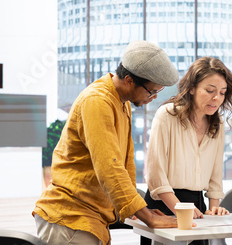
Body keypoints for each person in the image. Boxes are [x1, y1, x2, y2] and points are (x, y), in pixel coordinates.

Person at [33, 40, 181, 245]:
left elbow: (125, 163)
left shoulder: (122, 102)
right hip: (70, 217)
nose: (153, 98)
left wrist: (140, 210)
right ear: (129, 80)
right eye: (151, 92)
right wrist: (149, 218)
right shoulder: (97, 101)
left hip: (90, 218)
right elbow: (109, 166)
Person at [141, 56, 232, 245]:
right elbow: (154, 173)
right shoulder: (167, 115)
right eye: (210, 90)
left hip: (197, 205)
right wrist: (178, 208)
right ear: (192, 88)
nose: (216, 98)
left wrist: (214, 208)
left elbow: (216, 175)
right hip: (163, 205)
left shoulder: (217, 125)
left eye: (222, 92)